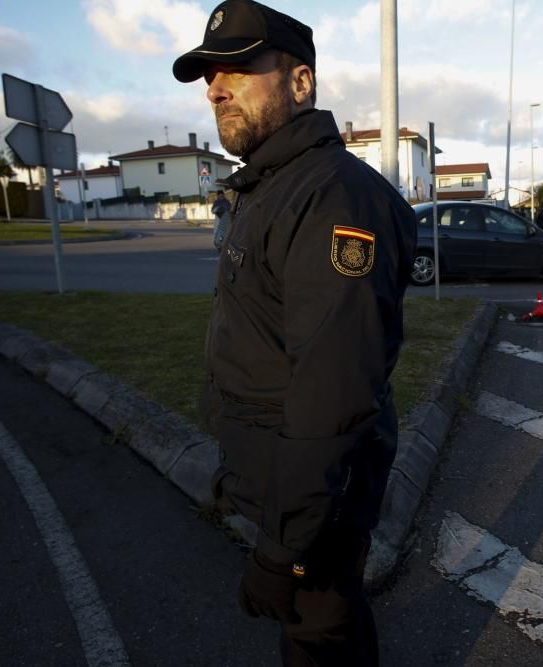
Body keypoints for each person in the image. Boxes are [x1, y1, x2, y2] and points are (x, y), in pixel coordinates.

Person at [173, 2, 416, 665]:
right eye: (208, 75)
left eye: (240, 67)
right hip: (283, 488)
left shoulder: (334, 197)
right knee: (330, 631)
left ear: (301, 82)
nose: (216, 86)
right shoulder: (268, 186)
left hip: (315, 506)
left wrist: (281, 549)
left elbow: (331, 395)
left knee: (320, 637)